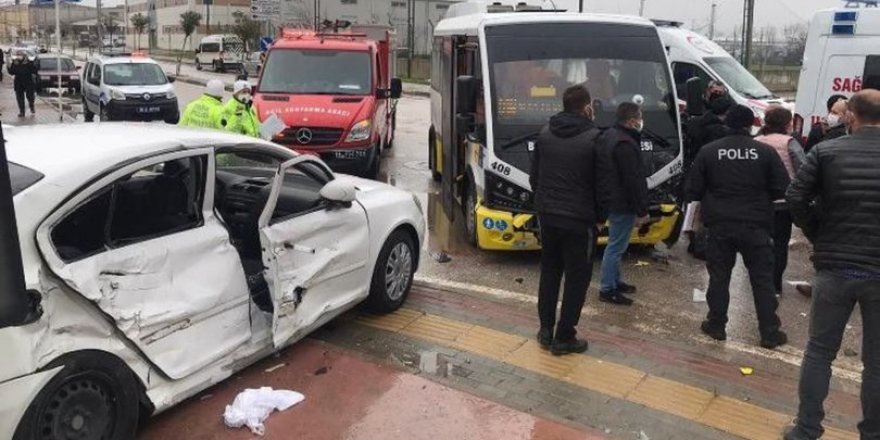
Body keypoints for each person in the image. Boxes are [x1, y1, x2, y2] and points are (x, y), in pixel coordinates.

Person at [784, 90, 880, 440]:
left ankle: (807, 430)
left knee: (820, 353)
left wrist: (817, 234)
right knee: (877, 364)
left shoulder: (826, 151)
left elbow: (795, 197)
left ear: (851, 116)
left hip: (835, 268)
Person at [686, 104, 790, 349]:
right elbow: (782, 189)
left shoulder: (709, 151)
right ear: (750, 124)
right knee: (762, 280)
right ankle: (770, 332)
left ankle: (716, 325)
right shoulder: (764, 152)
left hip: (720, 224)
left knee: (719, 277)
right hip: (756, 225)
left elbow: (693, 189)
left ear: (727, 123)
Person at [530, 85, 604, 356]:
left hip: (548, 216)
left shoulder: (545, 133)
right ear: (587, 108)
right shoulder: (595, 138)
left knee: (550, 271)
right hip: (580, 220)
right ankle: (565, 336)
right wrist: (600, 218)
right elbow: (602, 184)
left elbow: (534, 177)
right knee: (577, 278)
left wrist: (543, 204)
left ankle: (545, 330)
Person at [597, 102, 648, 306]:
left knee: (617, 244)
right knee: (616, 246)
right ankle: (607, 288)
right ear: (632, 121)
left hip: (611, 197)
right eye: (640, 117)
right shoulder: (626, 144)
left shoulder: (610, 135)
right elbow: (633, 180)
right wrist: (642, 210)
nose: (642, 121)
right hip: (622, 202)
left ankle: (615, 281)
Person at [754, 106, 806, 295]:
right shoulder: (790, 143)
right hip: (783, 203)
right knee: (779, 244)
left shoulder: (755, 141)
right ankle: (775, 284)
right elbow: (804, 169)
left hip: (758, 201)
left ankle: (759, 280)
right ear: (787, 124)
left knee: (759, 242)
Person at [8, 51, 38, 117]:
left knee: (30, 97)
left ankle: (31, 105)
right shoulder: (15, 62)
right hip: (18, 83)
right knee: (20, 98)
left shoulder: (29, 62)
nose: (19, 56)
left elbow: (35, 70)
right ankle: (22, 112)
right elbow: (11, 72)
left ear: (24, 56)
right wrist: (9, 66)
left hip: (28, 82)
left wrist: (34, 65)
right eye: (18, 55)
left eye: (20, 55)